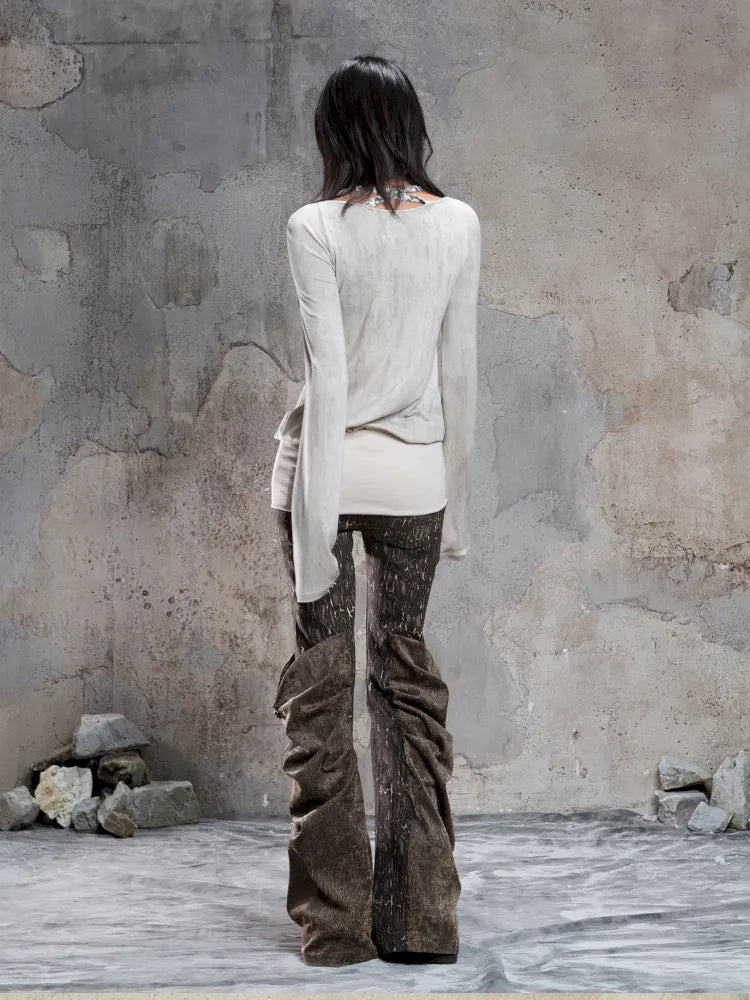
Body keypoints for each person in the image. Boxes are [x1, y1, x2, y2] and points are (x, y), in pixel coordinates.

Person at [270, 54, 480, 968]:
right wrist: (454, 507)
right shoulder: (459, 223)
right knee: (407, 687)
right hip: (417, 485)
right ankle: (423, 921)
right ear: (409, 125)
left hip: (326, 479)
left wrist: (317, 529)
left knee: (323, 695)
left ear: (335, 131)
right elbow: (461, 374)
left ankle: (336, 928)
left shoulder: (314, 226)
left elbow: (328, 380)